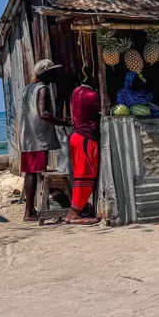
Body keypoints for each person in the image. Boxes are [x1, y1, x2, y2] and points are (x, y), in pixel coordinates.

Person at [20, 59, 70, 222]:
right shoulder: (42, 89)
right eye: (53, 71)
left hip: (26, 136)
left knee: (30, 173)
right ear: (46, 73)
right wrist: (63, 122)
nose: (55, 73)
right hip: (37, 137)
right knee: (37, 174)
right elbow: (43, 114)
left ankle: (29, 210)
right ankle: (32, 212)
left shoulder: (28, 89)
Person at [67, 82, 101, 224]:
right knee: (85, 177)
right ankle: (75, 213)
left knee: (79, 177)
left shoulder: (76, 91)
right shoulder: (93, 95)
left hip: (76, 137)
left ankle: (73, 212)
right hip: (86, 139)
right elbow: (102, 110)